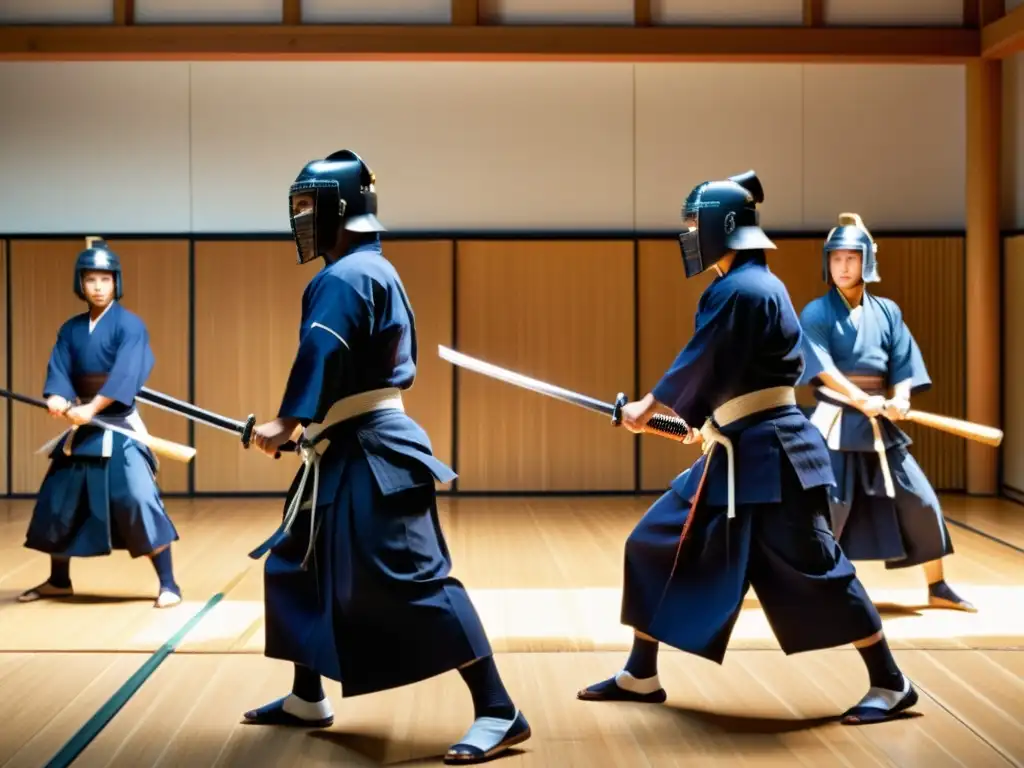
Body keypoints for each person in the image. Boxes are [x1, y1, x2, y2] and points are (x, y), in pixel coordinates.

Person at [576, 172, 918, 725]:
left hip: (774, 454)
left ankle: (891, 682)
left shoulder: (742, 288)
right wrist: (700, 420)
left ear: (722, 227)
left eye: (695, 225)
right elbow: (727, 368)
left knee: (818, 567)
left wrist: (650, 405)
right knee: (656, 542)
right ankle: (642, 673)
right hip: (737, 449)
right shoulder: (752, 286)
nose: (690, 235)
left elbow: (702, 357)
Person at [240, 150, 530, 764]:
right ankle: (306, 695)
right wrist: (305, 428)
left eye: (305, 206)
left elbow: (324, 351)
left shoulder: (346, 276)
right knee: (297, 563)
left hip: (374, 451)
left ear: (337, 210)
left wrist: (287, 421)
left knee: (416, 579)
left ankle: (500, 709)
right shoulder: (368, 270)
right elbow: (342, 363)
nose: (298, 218)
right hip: (345, 444)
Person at [798, 213, 975, 612]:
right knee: (831, 508)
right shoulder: (815, 313)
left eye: (851, 258)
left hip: (879, 425)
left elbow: (903, 362)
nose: (842, 267)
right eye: (835, 258)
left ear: (867, 262)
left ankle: (938, 586)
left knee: (921, 500)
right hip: (837, 422)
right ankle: (816, 589)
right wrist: (860, 400)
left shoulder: (888, 312)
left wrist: (902, 398)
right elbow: (821, 366)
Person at [18, 239, 182, 609]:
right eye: (90, 279)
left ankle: (169, 582)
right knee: (57, 499)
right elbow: (59, 369)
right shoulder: (71, 329)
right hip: (82, 426)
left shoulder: (130, 326)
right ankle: (59, 580)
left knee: (137, 498)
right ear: (81, 284)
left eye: (104, 279)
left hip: (118, 424)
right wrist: (57, 397)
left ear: (116, 282)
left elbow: (127, 373)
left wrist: (92, 407)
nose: (97, 286)